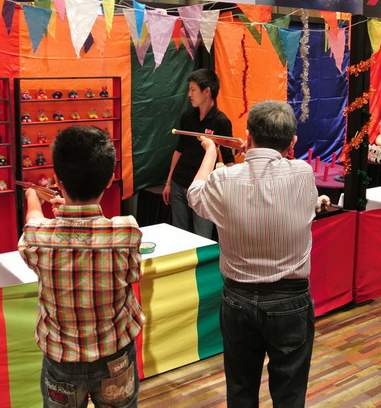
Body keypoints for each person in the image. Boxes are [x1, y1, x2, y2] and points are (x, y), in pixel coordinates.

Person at [187, 100, 318, 407]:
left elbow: (195, 195)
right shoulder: (303, 173)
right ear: (292, 143)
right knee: (289, 394)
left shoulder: (224, 179)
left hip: (239, 299)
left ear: (247, 136)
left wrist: (211, 152)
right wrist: (255, 153)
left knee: (241, 389)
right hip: (290, 300)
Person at [19, 125, 143, 407]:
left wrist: (32, 198)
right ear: (109, 180)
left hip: (61, 359)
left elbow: (33, 222)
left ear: (57, 179)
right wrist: (69, 213)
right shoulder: (127, 231)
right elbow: (130, 272)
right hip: (115, 354)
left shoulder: (38, 236)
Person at [163, 68, 235, 239]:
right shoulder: (187, 116)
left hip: (204, 189)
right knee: (178, 234)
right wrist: (168, 183)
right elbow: (179, 150)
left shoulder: (221, 121)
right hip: (179, 182)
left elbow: (228, 159)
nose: (189, 94)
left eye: (193, 89)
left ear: (207, 91)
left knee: (202, 237)